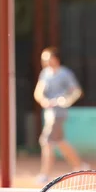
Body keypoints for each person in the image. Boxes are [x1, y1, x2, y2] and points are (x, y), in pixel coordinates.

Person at [33, 47, 88, 184]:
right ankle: (80, 166)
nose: (45, 62)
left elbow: (76, 91)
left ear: (55, 59)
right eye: (43, 59)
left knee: (46, 141)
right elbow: (38, 92)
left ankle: (45, 174)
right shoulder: (45, 74)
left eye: (48, 58)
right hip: (49, 113)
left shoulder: (65, 74)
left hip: (58, 113)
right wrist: (44, 101)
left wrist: (66, 101)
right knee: (60, 142)